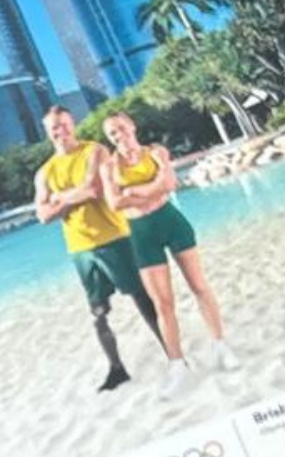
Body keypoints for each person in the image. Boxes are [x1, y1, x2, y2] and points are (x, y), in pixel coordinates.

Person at [32, 104, 165, 393]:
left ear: (73, 124)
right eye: (55, 127)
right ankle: (117, 369)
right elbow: (42, 215)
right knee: (98, 312)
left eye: (65, 124)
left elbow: (93, 190)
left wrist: (59, 198)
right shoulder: (44, 173)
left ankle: (172, 351)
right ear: (48, 132)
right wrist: (69, 197)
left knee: (142, 298)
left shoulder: (95, 152)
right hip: (80, 249)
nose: (61, 130)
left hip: (115, 237)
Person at [102, 111, 238, 390]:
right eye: (112, 134)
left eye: (122, 129)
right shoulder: (109, 167)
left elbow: (170, 184)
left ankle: (220, 345)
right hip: (141, 234)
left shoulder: (157, 152)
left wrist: (133, 193)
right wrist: (151, 188)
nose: (119, 136)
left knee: (199, 286)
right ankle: (177, 364)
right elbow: (115, 204)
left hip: (171, 222)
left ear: (133, 126)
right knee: (163, 304)